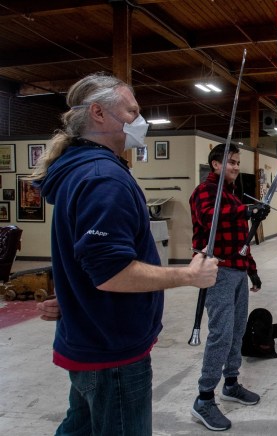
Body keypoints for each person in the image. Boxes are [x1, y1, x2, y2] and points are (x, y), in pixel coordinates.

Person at [29, 72, 219, 436]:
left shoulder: (84, 170)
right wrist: (187, 276)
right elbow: (112, 272)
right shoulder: (102, 177)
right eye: (132, 111)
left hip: (90, 337)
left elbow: (86, 258)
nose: (139, 120)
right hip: (110, 353)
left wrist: (71, 297)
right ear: (98, 113)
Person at [189, 142, 270, 431]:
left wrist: (253, 272)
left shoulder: (231, 196)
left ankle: (231, 382)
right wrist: (246, 211)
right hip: (217, 271)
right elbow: (210, 218)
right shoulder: (205, 192)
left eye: (237, 162)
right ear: (215, 164)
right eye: (230, 162)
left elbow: (242, 244)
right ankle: (204, 398)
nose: (235, 166)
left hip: (236, 271)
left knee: (237, 331)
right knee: (221, 334)